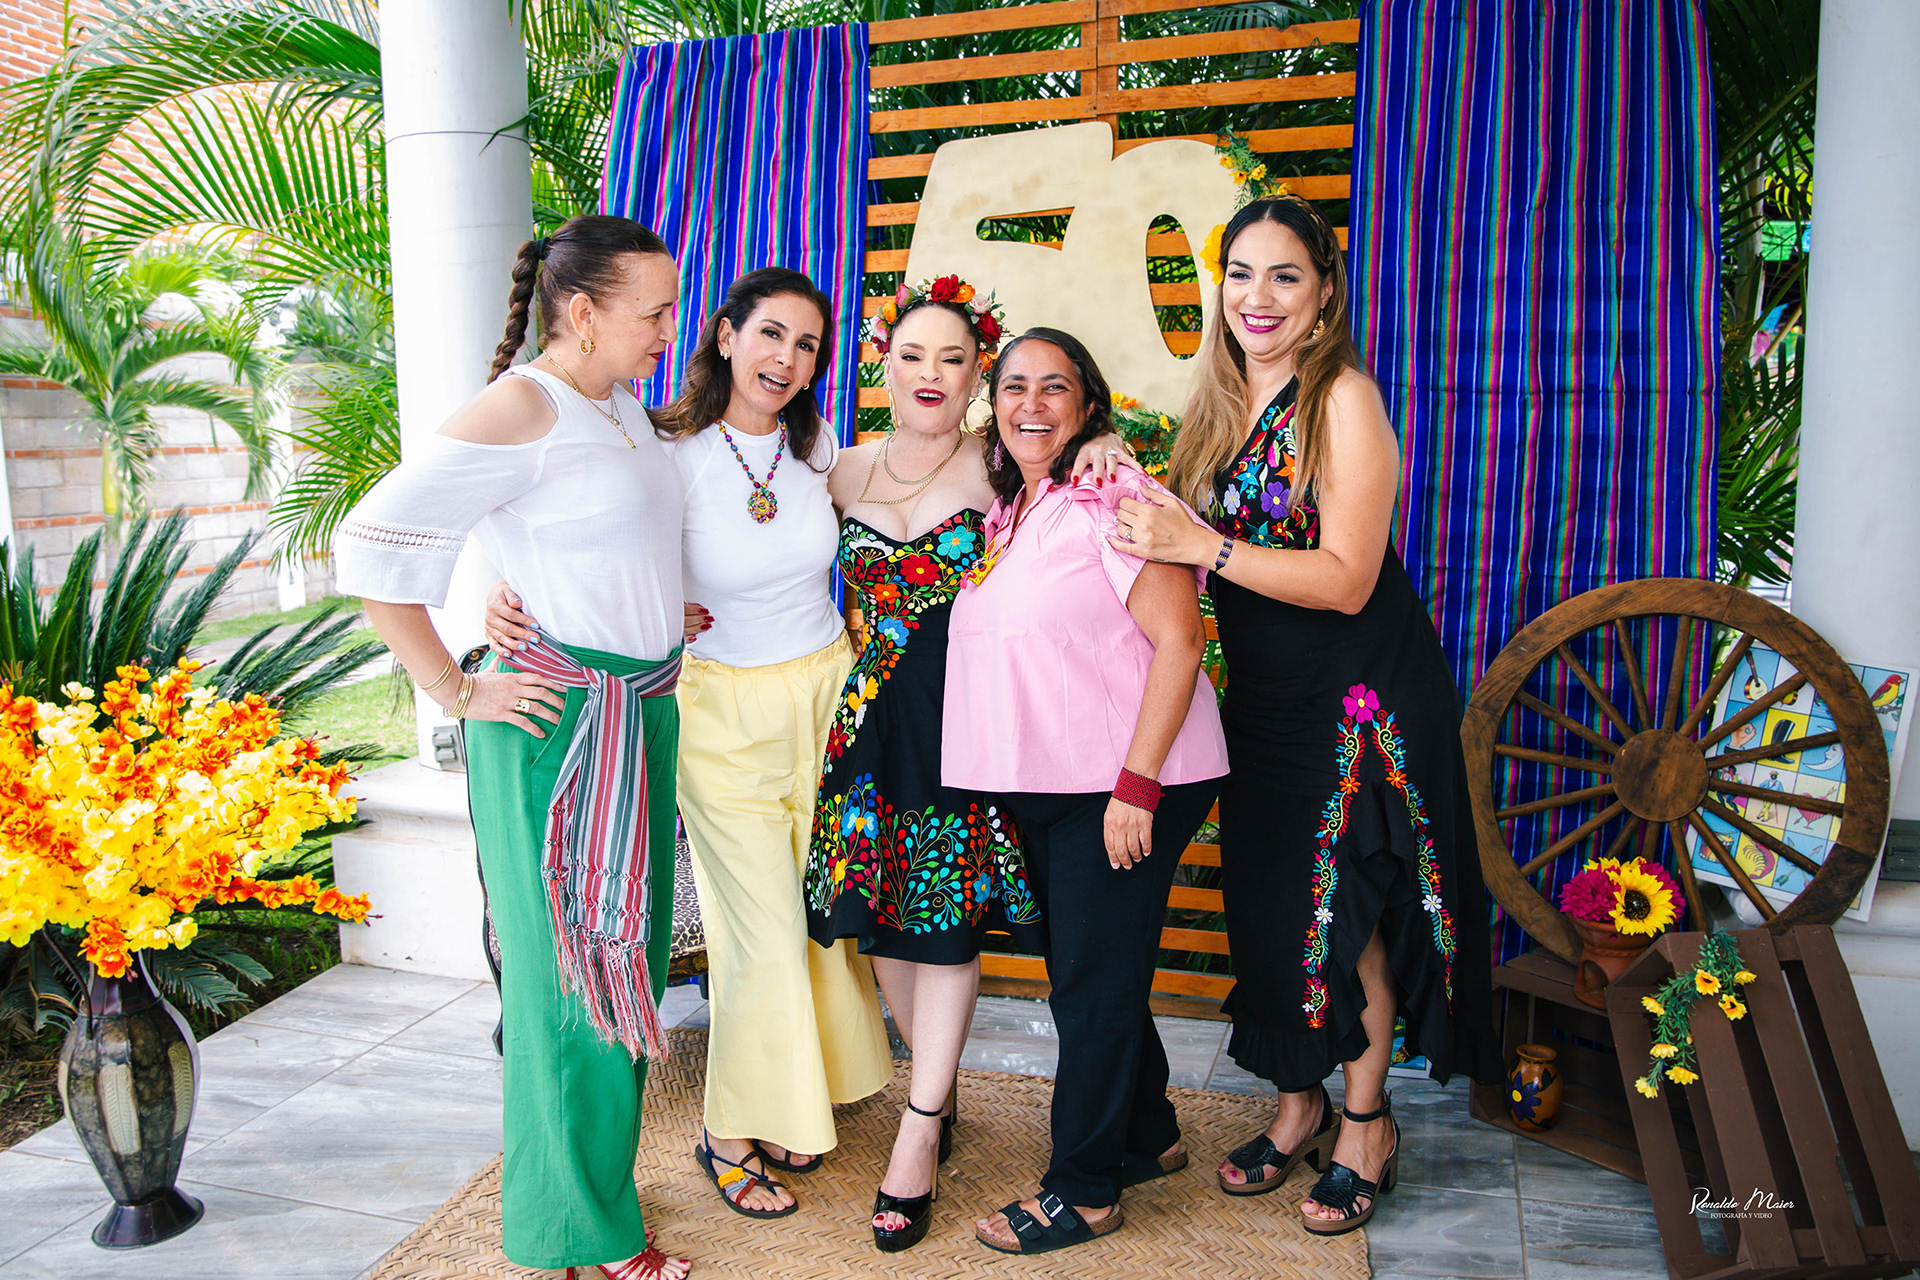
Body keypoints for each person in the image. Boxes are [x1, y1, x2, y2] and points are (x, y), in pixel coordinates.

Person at [1110, 195, 1500, 1236]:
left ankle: (1365, 1125)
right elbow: (1164, 522)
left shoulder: (1343, 400)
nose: (1260, 296)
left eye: (1285, 275)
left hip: (1360, 697)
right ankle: (1299, 1106)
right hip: (1266, 705)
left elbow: (1347, 577)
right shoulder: (1216, 403)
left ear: (1324, 292)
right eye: (1241, 273)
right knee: (1274, 914)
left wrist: (1206, 548)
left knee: (1346, 912)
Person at [486, 268, 894, 1221]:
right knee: (757, 927)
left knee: (814, 909)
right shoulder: (660, 447)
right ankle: (728, 1131)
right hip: (715, 710)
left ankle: (797, 1097)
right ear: (724, 335)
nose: (786, 359)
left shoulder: (817, 451)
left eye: (806, 344)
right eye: (770, 334)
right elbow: (559, 524)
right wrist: (502, 596)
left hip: (823, 696)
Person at [334, 215, 692, 1280]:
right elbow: (371, 542)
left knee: (623, 961)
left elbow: (577, 537)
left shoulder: (617, 403)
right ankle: (574, 1235)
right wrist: (455, 687)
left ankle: (591, 1191)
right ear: (581, 312)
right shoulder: (526, 403)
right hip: (556, 727)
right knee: (567, 980)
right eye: (653, 312)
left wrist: (659, 611)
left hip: (636, 713)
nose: (668, 330)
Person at [945, 328, 1229, 1259]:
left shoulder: (1115, 496)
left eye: (1054, 387)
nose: (1031, 404)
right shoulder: (1017, 507)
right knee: (1090, 971)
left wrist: (1135, 788)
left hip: (1126, 780)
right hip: (1056, 782)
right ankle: (1149, 1135)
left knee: (1092, 985)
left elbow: (1181, 643)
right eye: (1014, 386)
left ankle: (1086, 1191)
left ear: (1088, 404)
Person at [803, 276, 1043, 1254]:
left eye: (953, 356)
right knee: (885, 921)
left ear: (979, 370)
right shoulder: (836, 470)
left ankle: (920, 1123)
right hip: (866, 723)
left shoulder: (1005, 469)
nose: (931, 372)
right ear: (882, 363)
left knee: (943, 926)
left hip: (962, 722)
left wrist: (1102, 450)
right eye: (912, 354)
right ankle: (936, 1101)